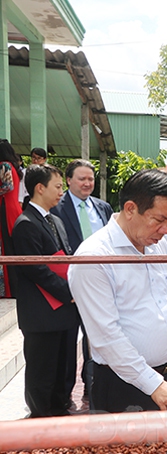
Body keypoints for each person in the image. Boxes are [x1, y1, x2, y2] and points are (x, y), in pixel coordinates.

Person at [68, 169, 167, 413]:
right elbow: (106, 337)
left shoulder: (158, 242)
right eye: (159, 220)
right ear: (131, 209)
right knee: (125, 452)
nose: (166, 230)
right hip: (125, 385)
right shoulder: (93, 257)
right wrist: (154, 385)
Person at [12, 164, 79, 417]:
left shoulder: (56, 221)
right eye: (58, 186)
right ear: (40, 188)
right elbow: (36, 269)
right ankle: (41, 418)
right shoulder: (25, 223)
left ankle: (61, 409)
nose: (62, 191)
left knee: (64, 367)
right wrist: (68, 291)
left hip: (64, 310)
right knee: (42, 370)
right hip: (41, 313)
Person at [50, 159, 114, 406]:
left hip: (100, 282)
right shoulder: (56, 207)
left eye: (91, 179)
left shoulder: (103, 207)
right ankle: (64, 394)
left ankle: (93, 384)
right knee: (68, 341)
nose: (87, 183)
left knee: (98, 335)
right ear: (68, 180)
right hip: (69, 284)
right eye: (81, 179)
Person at [0, 140, 23, 297]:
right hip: (12, 208)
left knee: (6, 248)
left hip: (5, 208)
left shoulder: (4, 165)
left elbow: (7, 186)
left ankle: (9, 289)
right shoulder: (12, 165)